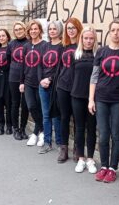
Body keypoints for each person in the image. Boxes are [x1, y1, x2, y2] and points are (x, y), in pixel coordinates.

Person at [89, 18, 119, 183]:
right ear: (109, 32)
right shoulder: (101, 52)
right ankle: (104, 166)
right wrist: (91, 99)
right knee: (104, 134)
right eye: (113, 30)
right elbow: (94, 77)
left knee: (116, 134)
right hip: (102, 99)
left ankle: (113, 168)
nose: (116, 33)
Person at [71, 27, 98, 174]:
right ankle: (81, 158)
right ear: (81, 39)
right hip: (77, 97)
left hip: (93, 99)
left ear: (94, 40)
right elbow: (71, 76)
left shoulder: (98, 55)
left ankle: (90, 159)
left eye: (91, 38)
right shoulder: (76, 55)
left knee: (92, 129)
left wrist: (93, 98)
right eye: (85, 38)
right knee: (79, 128)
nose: (88, 41)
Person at [56, 17, 83, 163]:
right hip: (63, 86)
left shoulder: (83, 46)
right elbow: (59, 67)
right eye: (68, 28)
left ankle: (77, 149)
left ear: (78, 29)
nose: (71, 30)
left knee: (78, 120)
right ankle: (64, 148)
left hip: (77, 87)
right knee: (64, 118)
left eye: (73, 28)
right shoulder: (63, 46)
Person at [38, 20, 63, 154]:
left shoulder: (62, 47)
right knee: (46, 115)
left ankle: (59, 142)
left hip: (56, 86)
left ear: (59, 30)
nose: (52, 31)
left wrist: (50, 79)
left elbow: (60, 68)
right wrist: (41, 80)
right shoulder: (45, 46)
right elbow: (39, 65)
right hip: (43, 85)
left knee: (56, 115)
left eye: (55, 29)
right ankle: (47, 142)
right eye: (50, 29)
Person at [20, 20, 46, 147]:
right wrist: (21, 82)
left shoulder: (45, 45)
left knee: (40, 108)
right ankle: (42, 130)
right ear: (28, 32)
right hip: (28, 82)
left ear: (40, 30)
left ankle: (36, 133)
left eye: (36, 29)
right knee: (31, 107)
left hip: (40, 82)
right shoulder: (26, 46)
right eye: (31, 29)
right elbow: (23, 65)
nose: (33, 31)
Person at [7, 22, 29, 140]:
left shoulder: (29, 43)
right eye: (16, 30)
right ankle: (15, 128)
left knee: (25, 105)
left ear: (25, 30)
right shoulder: (11, 44)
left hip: (27, 77)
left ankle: (23, 128)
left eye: (20, 29)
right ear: (14, 32)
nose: (18, 31)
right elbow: (8, 59)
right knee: (15, 103)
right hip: (14, 77)